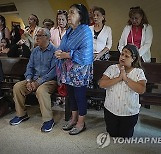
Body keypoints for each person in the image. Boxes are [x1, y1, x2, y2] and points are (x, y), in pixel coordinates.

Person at [9, 28, 57, 133]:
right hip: (34, 79)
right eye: (37, 36)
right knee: (17, 87)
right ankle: (21, 114)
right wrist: (29, 80)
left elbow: (53, 72)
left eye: (40, 36)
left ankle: (49, 120)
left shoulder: (54, 51)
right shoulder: (35, 51)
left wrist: (38, 82)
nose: (37, 38)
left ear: (47, 38)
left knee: (41, 91)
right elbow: (29, 67)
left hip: (49, 81)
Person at [55, 4, 93, 135]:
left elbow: (87, 54)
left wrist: (68, 54)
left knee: (79, 96)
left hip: (80, 70)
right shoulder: (70, 30)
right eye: (69, 13)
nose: (69, 16)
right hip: (69, 70)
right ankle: (73, 118)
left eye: (72, 13)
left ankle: (81, 122)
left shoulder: (86, 31)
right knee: (71, 95)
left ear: (80, 16)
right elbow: (63, 46)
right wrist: (59, 52)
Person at [99, 44, 146, 137]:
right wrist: (119, 78)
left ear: (133, 59)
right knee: (112, 134)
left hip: (129, 112)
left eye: (126, 56)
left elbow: (141, 89)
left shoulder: (138, 72)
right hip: (111, 110)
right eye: (122, 54)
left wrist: (126, 78)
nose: (122, 58)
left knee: (125, 136)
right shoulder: (112, 68)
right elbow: (102, 84)